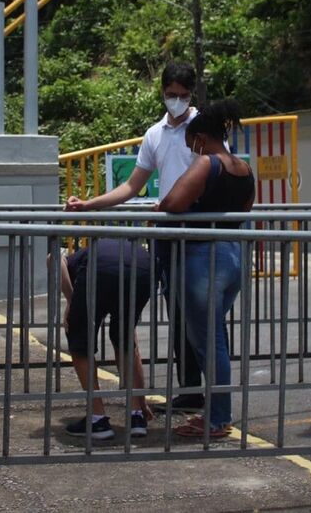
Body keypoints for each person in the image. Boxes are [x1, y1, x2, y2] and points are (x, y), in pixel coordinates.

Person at [65, 62, 205, 411]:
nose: (176, 101)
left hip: (200, 230)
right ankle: (189, 391)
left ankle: (215, 398)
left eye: (183, 95)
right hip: (167, 231)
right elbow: (132, 186)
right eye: (171, 94)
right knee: (176, 311)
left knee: (202, 314)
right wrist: (90, 205)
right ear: (162, 92)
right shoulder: (155, 133)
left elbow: (215, 171)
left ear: (192, 94)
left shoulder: (203, 128)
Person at [158, 99, 254, 439]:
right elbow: (244, 209)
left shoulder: (205, 164)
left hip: (201, 260)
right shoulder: (242, 168)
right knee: (214, 336)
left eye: (189, 141)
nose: (189, 147)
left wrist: (163, 206)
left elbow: (172, 203)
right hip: (233, 257)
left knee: (208, 340)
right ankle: (217, 414)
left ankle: (217, 419)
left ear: (200, 137)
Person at [57, 239, 155, 440]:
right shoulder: (108, 247)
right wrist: (143, 402)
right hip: (143, 268)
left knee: (79, 340)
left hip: (100, 270)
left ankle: (97, 419)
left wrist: (70, 299)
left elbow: (54, 260)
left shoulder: (75, 258)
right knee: (126, 338)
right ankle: (137, 415)